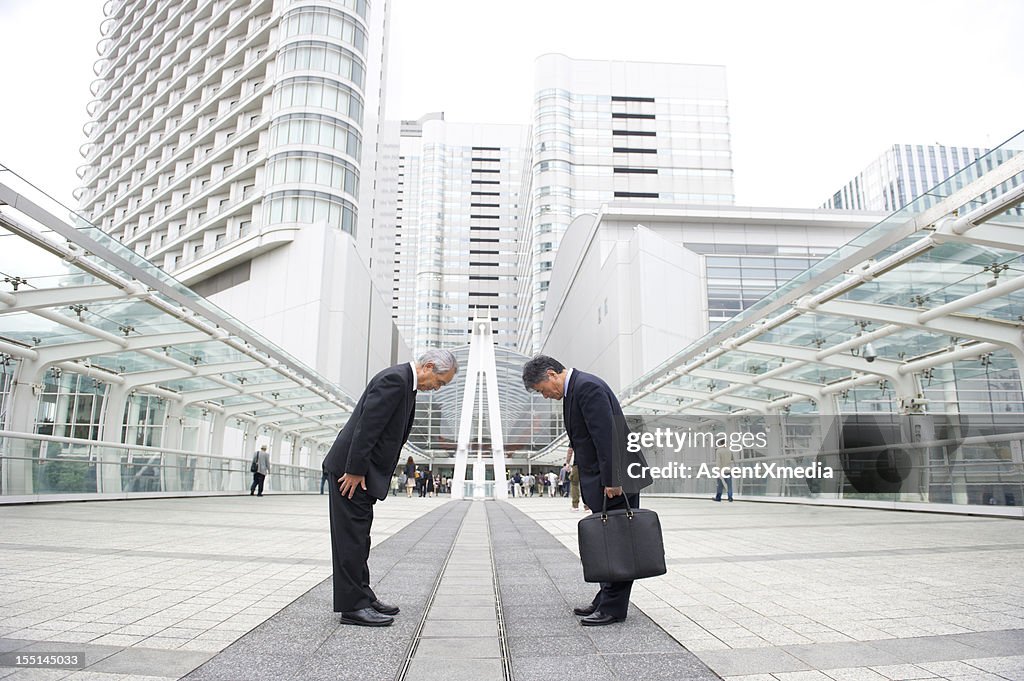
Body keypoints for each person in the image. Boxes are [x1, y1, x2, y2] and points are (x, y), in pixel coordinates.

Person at [322, 350, 457, 627]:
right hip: (351, 473)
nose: (438, 388)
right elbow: (367, 427)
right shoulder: (395, 380)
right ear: (429, 366)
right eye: (441, 381)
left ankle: (363, 595)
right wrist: (355, 470)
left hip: (360, 472)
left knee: (361, 537)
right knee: (351, 538)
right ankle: (352, 607)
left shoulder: (405, 382)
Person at [523, 355, 651, 626]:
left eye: (541, 389)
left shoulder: (587, 387)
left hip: (616, 480)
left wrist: (612, 479)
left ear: (551, 374)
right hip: (602, 478)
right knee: (608, 539)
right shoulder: (575, 389)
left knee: (617, 542)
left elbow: (606, 435)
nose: (544, 396)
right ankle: (605, 598)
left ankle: (614, 608)